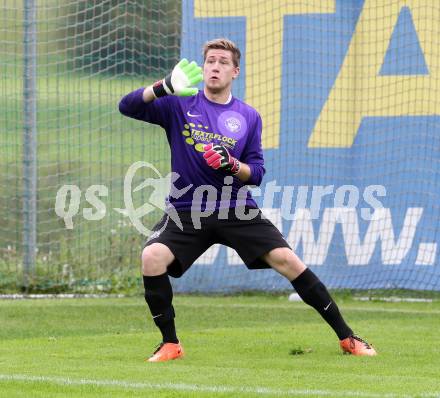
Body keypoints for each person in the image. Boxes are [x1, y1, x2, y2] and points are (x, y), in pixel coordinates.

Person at [119, 38, 377, 362]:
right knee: (152, 257)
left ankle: (348, 337)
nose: (214, 66)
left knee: (288, 261)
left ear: (235, 71)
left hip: (235, 208)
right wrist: (164, 86)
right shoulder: (178, 104)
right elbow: (127, 106)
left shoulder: (248, 116)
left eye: (223, 62)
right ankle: (170, 343)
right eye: (210, 60)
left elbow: (256, 172)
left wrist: (232, 165)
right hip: (188, 209)